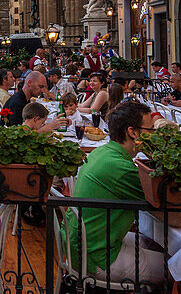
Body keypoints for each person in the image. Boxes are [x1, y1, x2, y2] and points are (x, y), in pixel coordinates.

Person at [66, 98, 165, 282]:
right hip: (96, 256)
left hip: (82, 243)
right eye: (150, 130)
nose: (154, 135)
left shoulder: (103, 152)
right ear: (133, 132)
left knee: (159, 245)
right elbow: (172, 216)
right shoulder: (121, 168)